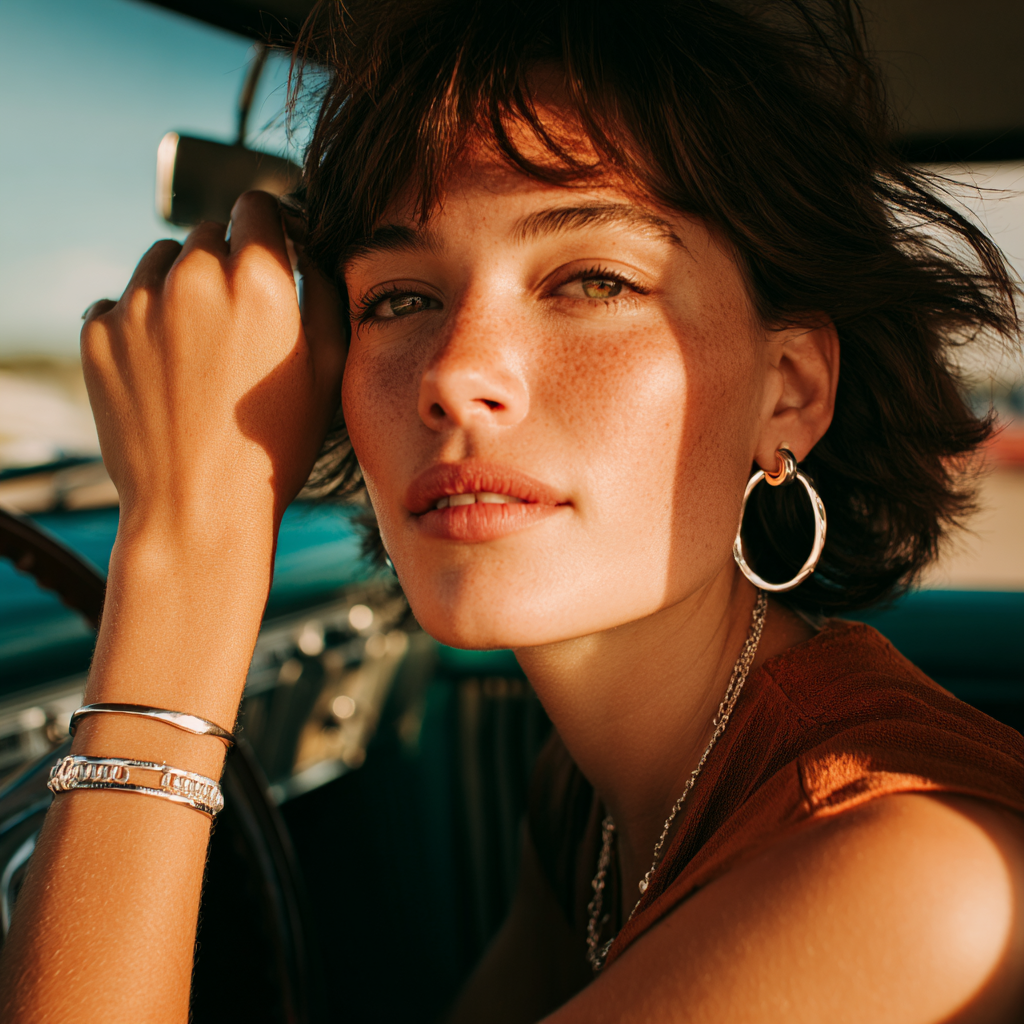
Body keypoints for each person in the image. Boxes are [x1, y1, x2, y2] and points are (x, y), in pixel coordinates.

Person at [2, 0, 1023, 1020]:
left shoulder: (911, 884)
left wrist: (183, 552)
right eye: (398, 298)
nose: (454, 373)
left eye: (590, 279)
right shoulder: (588, 793)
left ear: (789, 391)